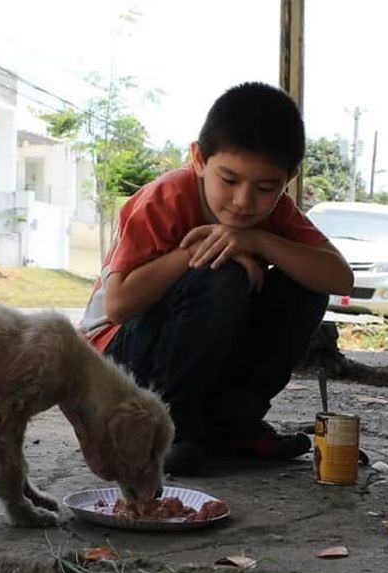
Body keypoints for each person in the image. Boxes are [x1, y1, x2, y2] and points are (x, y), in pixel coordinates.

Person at [79, 81, 354, 475]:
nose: (244, 201)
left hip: (191, 363)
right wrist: (194, 252)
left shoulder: (272, 213)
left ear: (288, 178)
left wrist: (254, 240)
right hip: (116, 363)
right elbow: (118, 305)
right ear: (198, 158)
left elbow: (339, 278)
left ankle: (231, 424)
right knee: (221, 272)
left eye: (265, 187)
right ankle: (163, 430)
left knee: (306, 287)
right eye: (229, 180)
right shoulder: (166, 198)